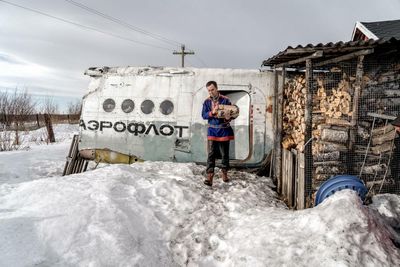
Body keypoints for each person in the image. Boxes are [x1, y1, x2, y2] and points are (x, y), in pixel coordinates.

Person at [201, 81, 234, 186]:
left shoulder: (226, 100)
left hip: (224, 130)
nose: (210, 92)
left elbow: (232, 114)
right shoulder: (206, 102)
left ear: (217, 88)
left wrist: (229, 117)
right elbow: (204, 115)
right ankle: (210, 176)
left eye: (212, 89)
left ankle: (224, 173)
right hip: (212, 130)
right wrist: (212, 112)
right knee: (211, 154)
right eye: (209, 90)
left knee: (224, 154)